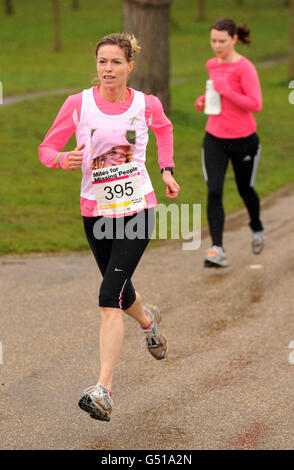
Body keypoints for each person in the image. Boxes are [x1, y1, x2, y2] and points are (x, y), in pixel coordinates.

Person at [39, 32, 180, 422]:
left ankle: (103, 390)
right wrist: (61, 159)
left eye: (116, 62)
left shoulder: (146, 104)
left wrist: (166, 170)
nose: (108, 69)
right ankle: (148, 322)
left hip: (138, 208)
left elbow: (165, 130)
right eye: (102, 61)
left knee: (107, 298)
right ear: (96, 65)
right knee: (121, 290)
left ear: (130, 65)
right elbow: (46, 148)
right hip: (96, 212)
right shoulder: (78, 104)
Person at [195, 18, 264, 268]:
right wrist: (205, 99)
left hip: (244, 140)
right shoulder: (211, 64)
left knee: (245, 190)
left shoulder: (245, 68)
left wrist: (226, 90)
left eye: (222, 41)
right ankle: (217, 249)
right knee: (214, 191)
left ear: (234, 39)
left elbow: (255, 104)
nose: (217, 46)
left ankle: (256, 226)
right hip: (214, 137)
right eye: (213, 40)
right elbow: (217, 92)